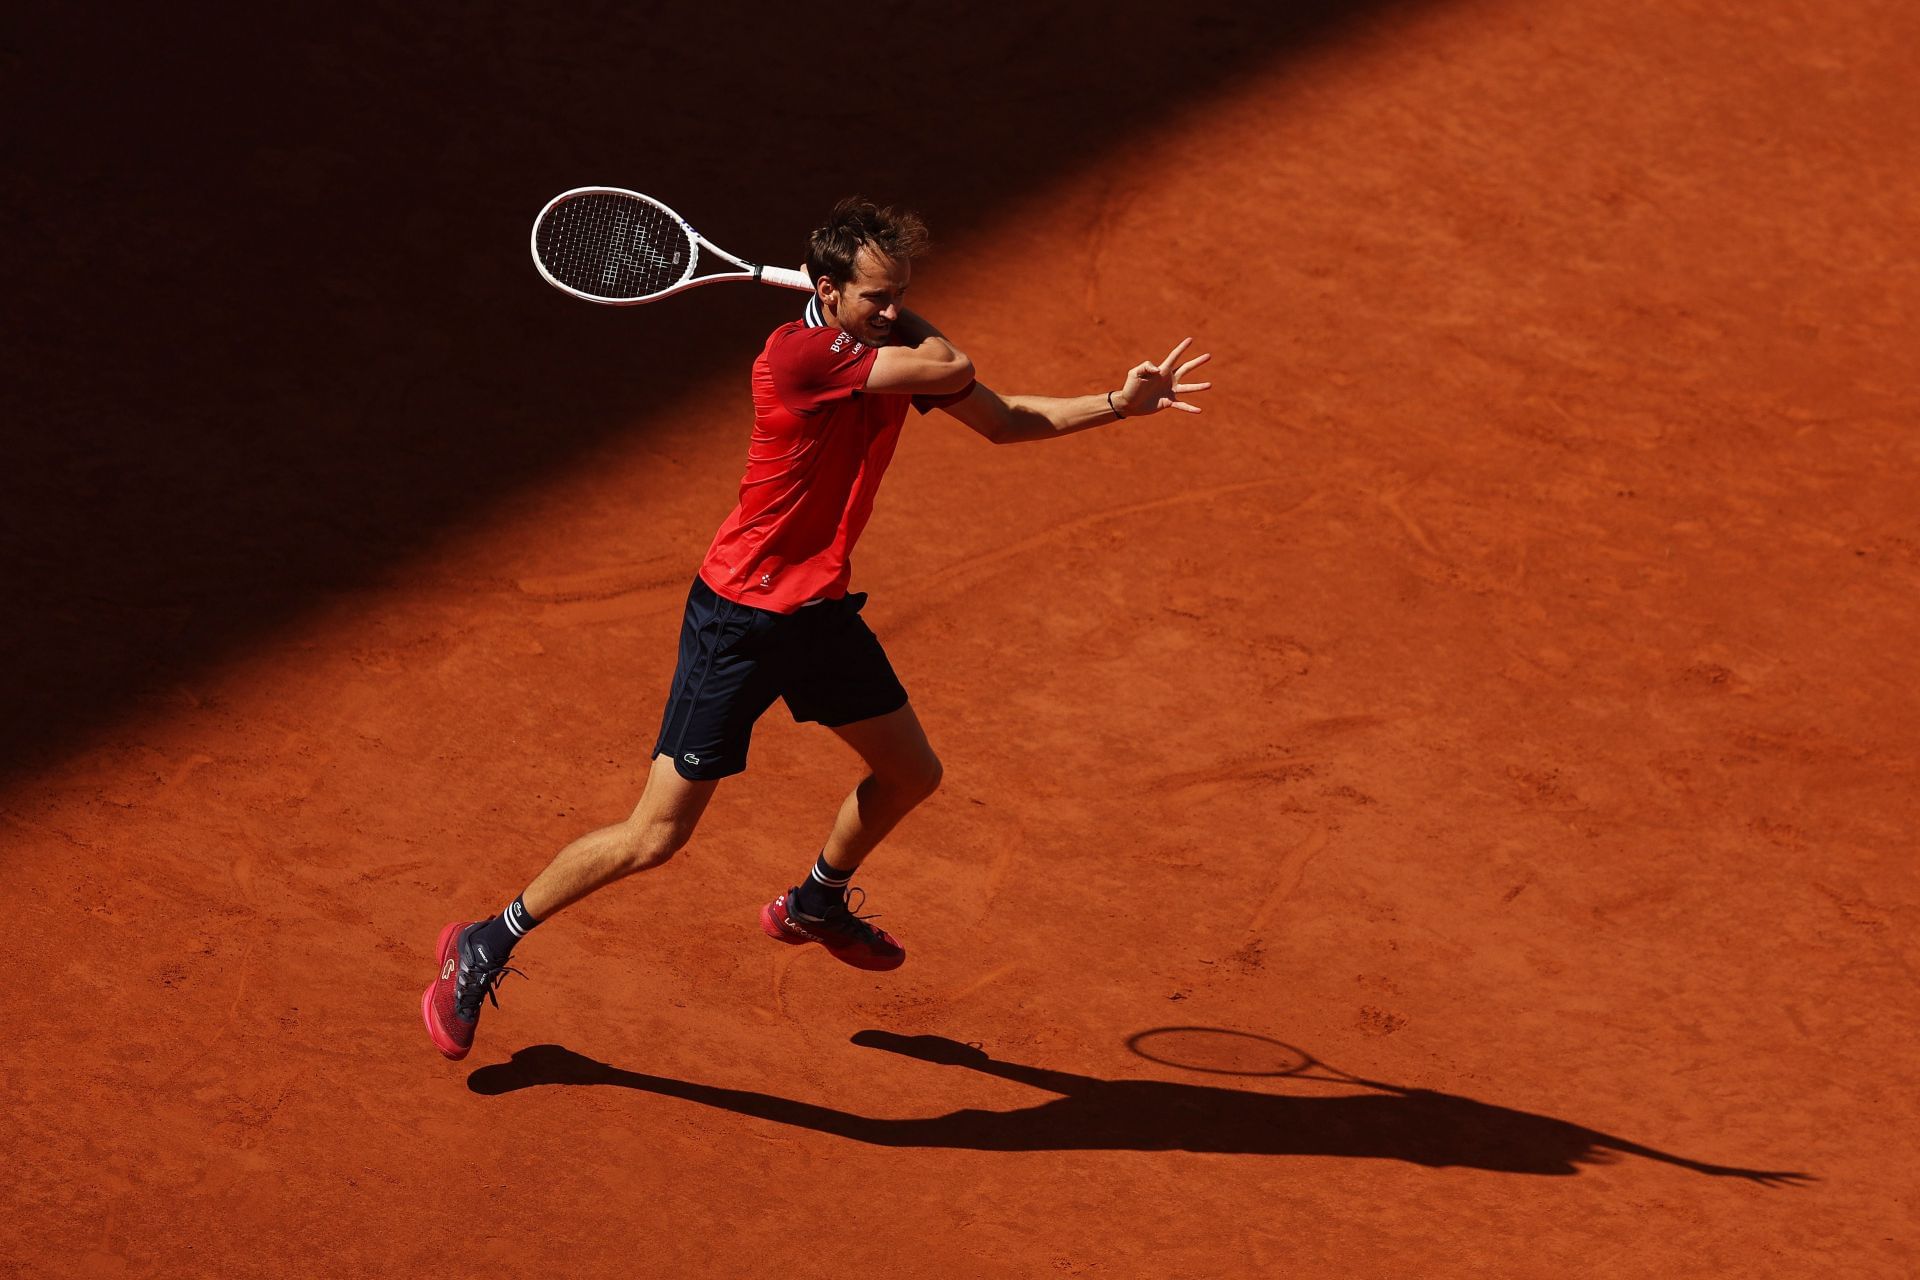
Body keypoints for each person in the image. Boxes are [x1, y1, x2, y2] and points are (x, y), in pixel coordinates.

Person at [423, 197, 1212, 1060]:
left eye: (902, 293)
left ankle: (815, 901)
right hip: (740, 620)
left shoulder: (873, 348)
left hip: (817, 612)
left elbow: (1004, 420)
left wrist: (1117, 403)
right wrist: (907, 329)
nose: (892, 310)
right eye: (878, 297)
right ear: (826, 290)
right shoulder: (801, 354)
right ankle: (486, 940)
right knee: (656, 835)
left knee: (911, 773)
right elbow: (955, 359)